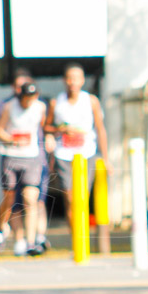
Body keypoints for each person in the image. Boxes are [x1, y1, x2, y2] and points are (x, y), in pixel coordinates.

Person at [0, 70, 50, 255]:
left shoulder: (41, 107)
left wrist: (49, 139)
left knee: (31, 198)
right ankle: (10, 233)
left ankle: (30, 242)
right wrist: (4, 143)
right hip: (11, 156)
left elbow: (45, 128)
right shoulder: (7, 106)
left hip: (32, 156)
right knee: (11, 198)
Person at [45, 63, 111, 231]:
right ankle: (76, 238)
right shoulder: (56, 102)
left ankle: (84, 237)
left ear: (82, 81)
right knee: (71, 199)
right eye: (69, 78)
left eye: (76, 78)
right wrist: (60, 129)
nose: (72, 82)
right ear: (64, 80)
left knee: (83, 197)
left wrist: (106, 157)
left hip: (86, 153)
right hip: (64, 154)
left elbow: (100, 129)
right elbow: (46, 126)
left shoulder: (91, 101)